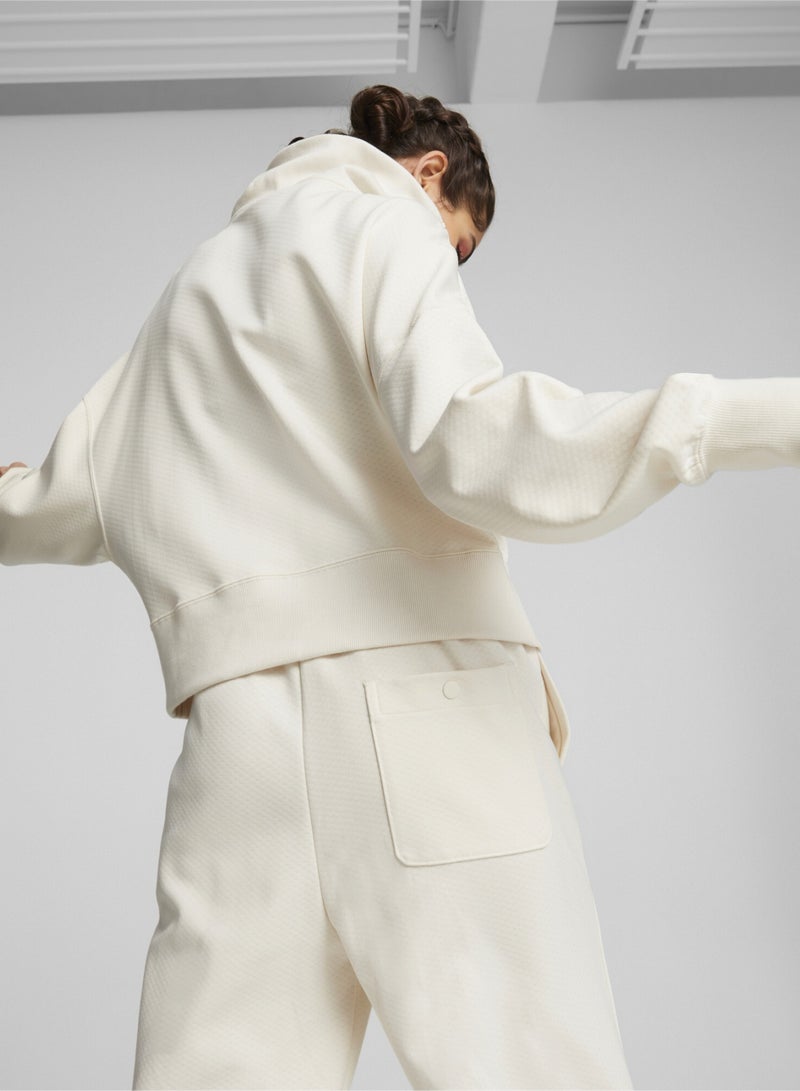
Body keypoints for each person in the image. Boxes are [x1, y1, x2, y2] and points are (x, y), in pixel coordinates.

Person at [1, 83, 798, 1091]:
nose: (451, 259)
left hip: (236, 751)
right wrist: (747, 418)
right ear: (427, 173)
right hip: (431, 717)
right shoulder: (384, 222)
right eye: (460, 242)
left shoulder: (187, 296)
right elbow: (473, 441)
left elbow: (53, 502)